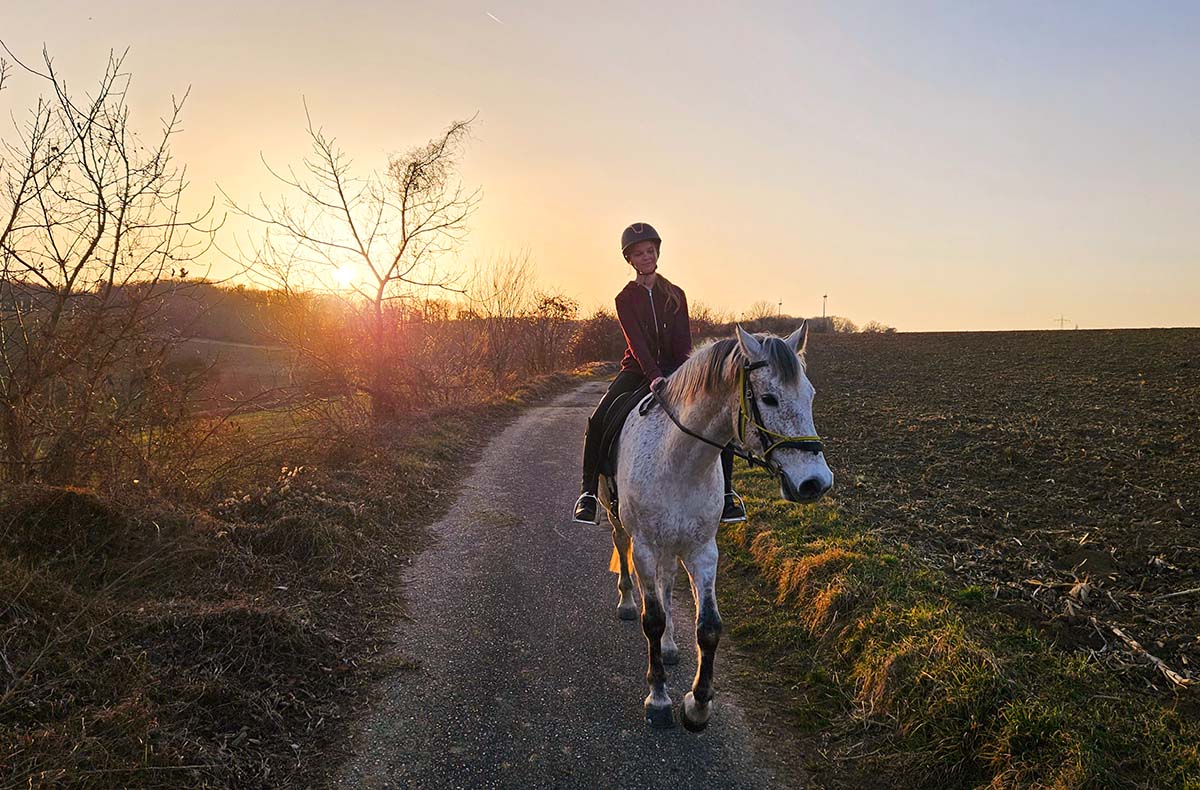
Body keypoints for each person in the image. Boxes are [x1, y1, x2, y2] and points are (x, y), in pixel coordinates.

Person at [573, 222, 745, 525]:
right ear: (630, 260)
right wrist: (653, 375)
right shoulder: (625, 298)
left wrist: (684, 375)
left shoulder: (675, 294)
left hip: (676, 371)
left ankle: (728, 495)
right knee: (599, 420)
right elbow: (635, 342)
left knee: (717, 419)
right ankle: (588, 494)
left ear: (657, 252)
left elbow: (683, 342)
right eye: (638, 253)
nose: (646, 257)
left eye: (650, 251)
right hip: (638, 371)